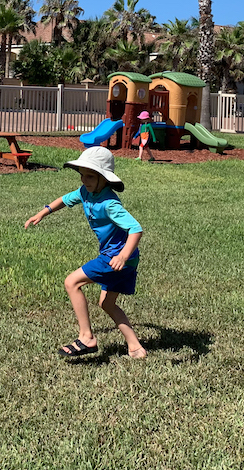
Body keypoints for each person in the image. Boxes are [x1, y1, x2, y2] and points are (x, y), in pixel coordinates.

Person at [24, 146, 147, 359]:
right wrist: (42, 213)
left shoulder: (109, 203)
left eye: (90, 176)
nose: (84, 181)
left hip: (116, 257)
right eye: (82, 176)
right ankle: (135, 347)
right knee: (106, 303)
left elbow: (136, 229)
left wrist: (122, 255)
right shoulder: (85, 192)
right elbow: (65, 199)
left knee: (72, 282)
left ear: (105, 178)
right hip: (123, 259)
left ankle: (86, 337)